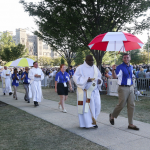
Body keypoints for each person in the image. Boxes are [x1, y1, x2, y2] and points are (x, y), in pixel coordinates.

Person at [110, 53, 139, 130]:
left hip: (131, 88)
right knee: (121, 105)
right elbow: (115, 77)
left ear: (130, 58)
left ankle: (131, 124)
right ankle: (112, 116)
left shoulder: (131, 67)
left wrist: (133, 86)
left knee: (131, 105)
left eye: (127, 57)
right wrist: (113, 70)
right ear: (123, 59)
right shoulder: (119, 67)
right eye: (124, 58)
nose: (126, 59)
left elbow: (131, 76)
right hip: (123, 88)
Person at [73, 55, 103, 128]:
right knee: (86, 109)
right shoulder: (80, 68)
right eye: (90, 60)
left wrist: (99, 81)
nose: (91, 62)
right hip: (85, 92)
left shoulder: (95, 68)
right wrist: (86, 80)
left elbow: (99, 76)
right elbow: (75, 78)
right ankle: (86, 124)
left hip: (95, 91)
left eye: (92, 60)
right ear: (86, 60)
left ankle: (94, 121)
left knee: (97, 106)